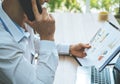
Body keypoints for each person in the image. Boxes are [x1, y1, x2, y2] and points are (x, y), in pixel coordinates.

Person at [0, 0, 91, 84]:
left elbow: (30, 41)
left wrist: (68, 48)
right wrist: (47, 37)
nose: (48, 0)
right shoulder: (2, 43)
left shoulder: (20, 16)